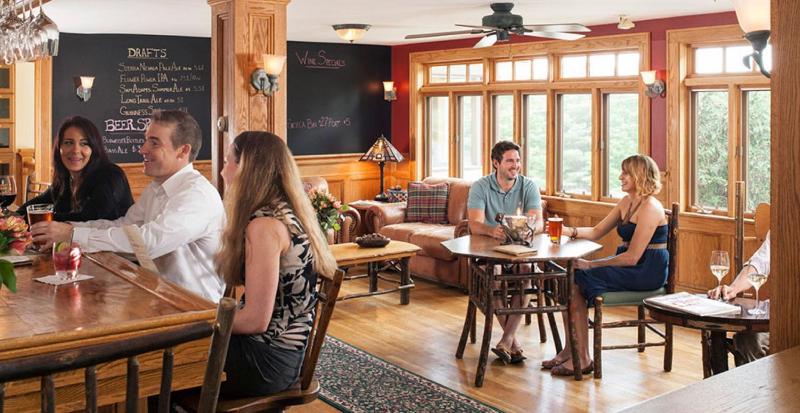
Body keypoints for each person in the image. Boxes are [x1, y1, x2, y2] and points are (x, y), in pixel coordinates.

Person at [30, 110, 225, 302]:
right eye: (146, 140)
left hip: (195, 308)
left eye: (154, 143)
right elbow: (125, 225)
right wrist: (67, 229)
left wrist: (73, 235)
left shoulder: (196, 195)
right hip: (156, 296)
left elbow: (149, 243)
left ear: (183, 151)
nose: (142, 149)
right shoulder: (156, 188)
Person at [215, 131, 337, 397]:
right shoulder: (282, 212)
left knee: (164, 365)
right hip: (278, 354)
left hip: (267, 361)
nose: (223, 172)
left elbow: (255, 321)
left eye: (227, 162)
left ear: (247, 169)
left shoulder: (265, 226)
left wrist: (199, 322)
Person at [545, 154, 668, 376]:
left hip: (645, 270)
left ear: (639, 175)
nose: (621, 177)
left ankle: (582, 358)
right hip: (630, 266)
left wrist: (591, 265)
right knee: (569, 279)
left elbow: (632, 257)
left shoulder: (651, 207)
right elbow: (596, 231)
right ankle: (571, 350)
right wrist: (567, 231)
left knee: (576, 278)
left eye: (626, 173)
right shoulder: (627, 202)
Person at [467, 140, 543, 364]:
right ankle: (513, 342)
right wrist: (492, 231)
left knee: (527, 271)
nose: (516, 165)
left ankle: (506, 340)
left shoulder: (529, 186)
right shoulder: (480, 187)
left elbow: (539, 222)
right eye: (510, 161)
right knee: (495, 274)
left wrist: (529, 229)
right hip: (489, 251)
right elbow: (474, 224)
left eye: (517, 160)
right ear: (496, 163)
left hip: (519, 249)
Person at [21, 116, 134, 222]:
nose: (75, 150)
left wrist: (38, 218)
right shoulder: (66, 178)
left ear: (94, 148)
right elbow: (37, 203)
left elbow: (88, 219)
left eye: (84, 143)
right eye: (68, 143)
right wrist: (14, 217)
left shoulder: (111, 176)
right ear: (59, 148)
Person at [708, 232, 770, 365]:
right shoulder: (781, 227)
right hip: (779, 318)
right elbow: (759, 263)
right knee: (748, 336)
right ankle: (751, 379)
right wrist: (733, 289)